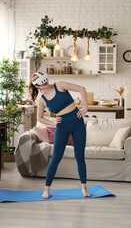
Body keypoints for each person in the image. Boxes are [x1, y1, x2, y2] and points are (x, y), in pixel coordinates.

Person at [29, 71, 91, 199]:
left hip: (77, 123)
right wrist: (52, 122)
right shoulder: (42, 100)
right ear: (37, 86)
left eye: (44, 79)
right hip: (62, 127)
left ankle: (84, 188)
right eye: (40, 81)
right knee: (56, 157)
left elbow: (81, 89)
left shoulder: (60, 85)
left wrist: (85, 108)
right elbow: (40, 118)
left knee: (79, 156)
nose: (44, 82)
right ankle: (46, 189)